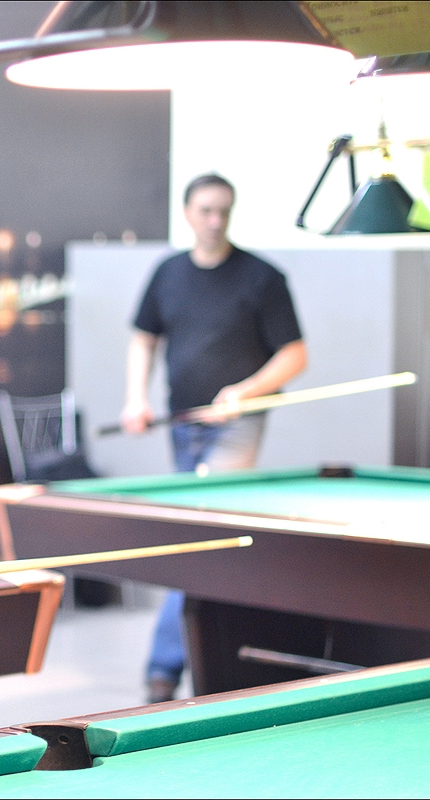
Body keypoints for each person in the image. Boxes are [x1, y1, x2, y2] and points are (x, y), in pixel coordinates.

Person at [121, 173, 307, 702]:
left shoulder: (262, 278)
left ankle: (163, 671)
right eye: (205, 210)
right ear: (187, 213)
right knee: (202, 541)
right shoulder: (168, 273)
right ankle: (203, 666)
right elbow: (143, 339)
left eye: (223, 210)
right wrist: (136, 398)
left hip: (237, 424)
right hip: (182, 424)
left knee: (199, 538)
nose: (215, 220)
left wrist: (245, 391)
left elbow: (295, 355)